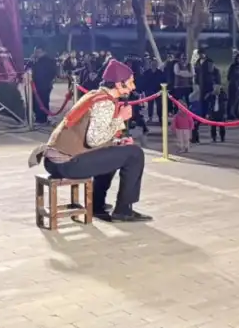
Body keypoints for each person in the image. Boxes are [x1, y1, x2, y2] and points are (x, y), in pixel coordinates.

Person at [28, 58, 151, 223]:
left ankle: (97, 205)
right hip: (67, 164)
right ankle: (123, 210)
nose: (133, 87)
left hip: (54, 162)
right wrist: (120, 119)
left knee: (116, 152)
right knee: (135, 154)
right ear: (119, 84)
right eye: (130, 82)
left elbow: (94, 137)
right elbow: (94, 141)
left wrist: (116, 143)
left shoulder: (94, 95)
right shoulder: (105, 103)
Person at [29, 47, 58, 125]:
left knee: (41, 102)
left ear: (42, 51)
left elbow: (50, 72)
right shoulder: (38, 60)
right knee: (39, 102)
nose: (35, 54)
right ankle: (41, 118)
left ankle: (41, 119)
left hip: (42, 85)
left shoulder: (46, 61)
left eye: (37, 52)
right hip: (40, 85)